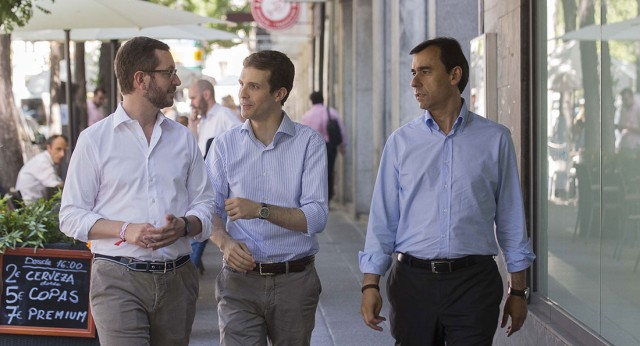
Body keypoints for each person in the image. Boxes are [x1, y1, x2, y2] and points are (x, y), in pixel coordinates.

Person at [359, 37, 536, 345]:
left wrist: (518, 290)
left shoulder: (495, 139)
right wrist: (370, 285)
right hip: (412, 283)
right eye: (413, 72)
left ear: (454, 76)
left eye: (425, 71)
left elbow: (511, 218)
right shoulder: (401, 143)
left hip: (474, 284)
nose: (414, 82)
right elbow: (382, 218)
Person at [59, 36, 215, 346]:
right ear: (141, 80)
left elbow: (206, 203)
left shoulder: (182, 139)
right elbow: (70, 216)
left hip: (178, 279)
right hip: (117, 279)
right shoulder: (94, 140)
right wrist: (126, 229)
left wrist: (184, 225)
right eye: (168, 72)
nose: (177, 80)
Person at [206, 50, 328, 345]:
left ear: (279, 93)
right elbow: (208, 208)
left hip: (294, 281)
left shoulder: (309, 143)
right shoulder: (224, 145)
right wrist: (225, 242)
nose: (242, 94)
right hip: (239, 282)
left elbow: (316, 217)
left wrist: (260, 210)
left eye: (254, 86)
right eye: (241, 84)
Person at [187, 79, 242, 274]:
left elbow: (242, 139)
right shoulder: (205, 120)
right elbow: (196, 152)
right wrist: (193, 127)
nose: (191, 102)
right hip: (204, 186)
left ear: (206, 95)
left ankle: (191, 270)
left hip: (221, 188)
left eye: (193, 97)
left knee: (205, 232)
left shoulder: (224, 116)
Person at [301, 91, 347, 203]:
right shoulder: (330, 112)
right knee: (329, 171)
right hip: (329, 147)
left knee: (314, 172)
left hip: (312, 148)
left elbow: (302, 135)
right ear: (322, 99)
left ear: (311, 101)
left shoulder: (306, 116)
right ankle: (328, 198)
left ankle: (315, 198)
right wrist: (342, 145)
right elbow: (341, 128)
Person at [15, 134, 67, 204]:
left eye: (64, 150)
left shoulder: (45, 160)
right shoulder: (42, 162)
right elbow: (56, 184)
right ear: (49, 148)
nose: (62, 154)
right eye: (58, 149)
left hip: (35, 204)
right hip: (30, 207)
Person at [616, 88, 640, 153]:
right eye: (623, 100)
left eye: (626, 99)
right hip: (625, 144)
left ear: (632, 97)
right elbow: (620, 127)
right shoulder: (623, 110)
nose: (624, 102)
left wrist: (630, 127)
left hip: (636, 145)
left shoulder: (638, 109)